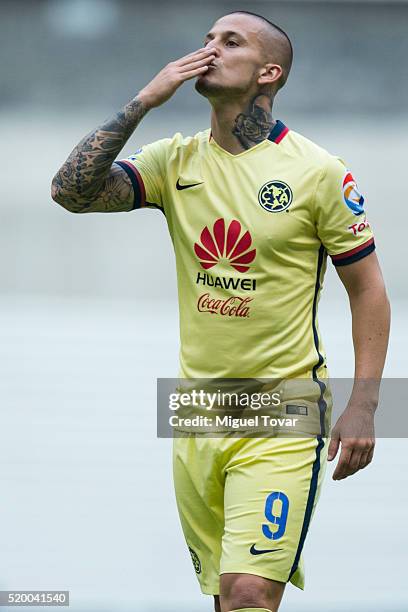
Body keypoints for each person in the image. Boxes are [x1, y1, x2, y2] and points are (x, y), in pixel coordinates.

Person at [51, 10, 390, 612]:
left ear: (269, 71)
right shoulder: (172, 161)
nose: (208, 49)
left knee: (248, 592)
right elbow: (70, 193)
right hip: (198, 410)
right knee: (223, 598)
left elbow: (367, 289)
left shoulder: (318, 172)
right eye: (206, 38)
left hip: (283, 409)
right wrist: (142, 103)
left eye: (229, 42)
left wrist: (365, 404)